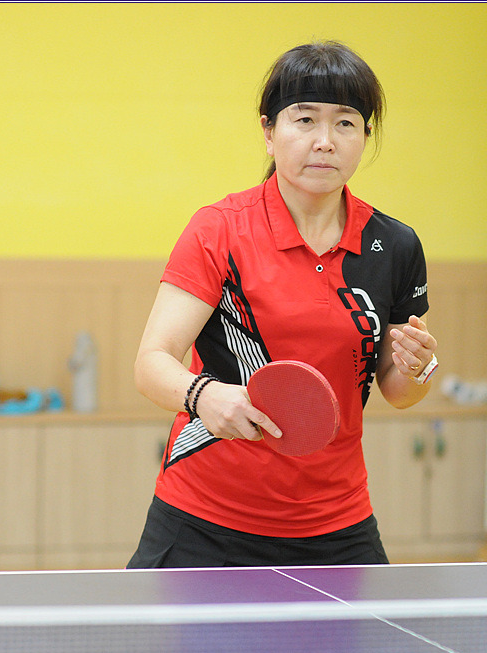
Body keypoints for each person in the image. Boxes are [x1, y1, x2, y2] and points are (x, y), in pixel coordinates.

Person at [127, 40, 439, 569]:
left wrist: (419, 367)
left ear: (365, 136)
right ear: (270, 132)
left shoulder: (394, 245)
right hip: (205, 520)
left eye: (345, 123)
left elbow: (398, 390)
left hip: (337, 524)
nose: (325, 141)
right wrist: (205, 396)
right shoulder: (220, 230)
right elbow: (151, 363)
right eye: (305, 119)